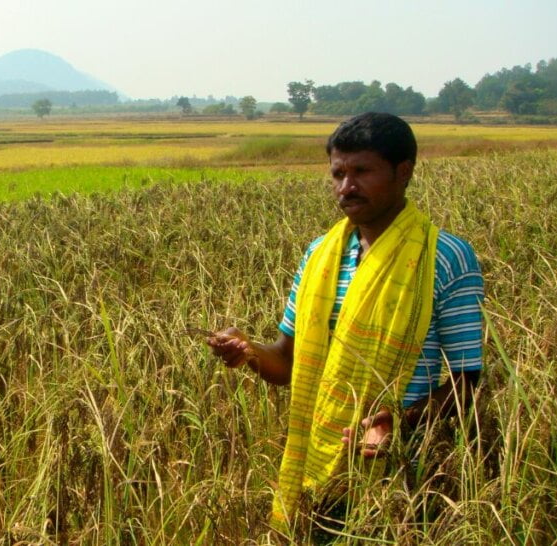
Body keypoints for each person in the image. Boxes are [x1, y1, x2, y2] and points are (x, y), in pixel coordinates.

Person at [207, 112, 483, 538]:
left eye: (362, 172)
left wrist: (397, 423)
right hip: (322, 466)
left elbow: (468, 379)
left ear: (403, 172)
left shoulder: (444, 257)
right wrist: (247, 352)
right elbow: (285, 362)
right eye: (338, 173)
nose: (346, 187)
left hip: (405, 474)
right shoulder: (320, 255)